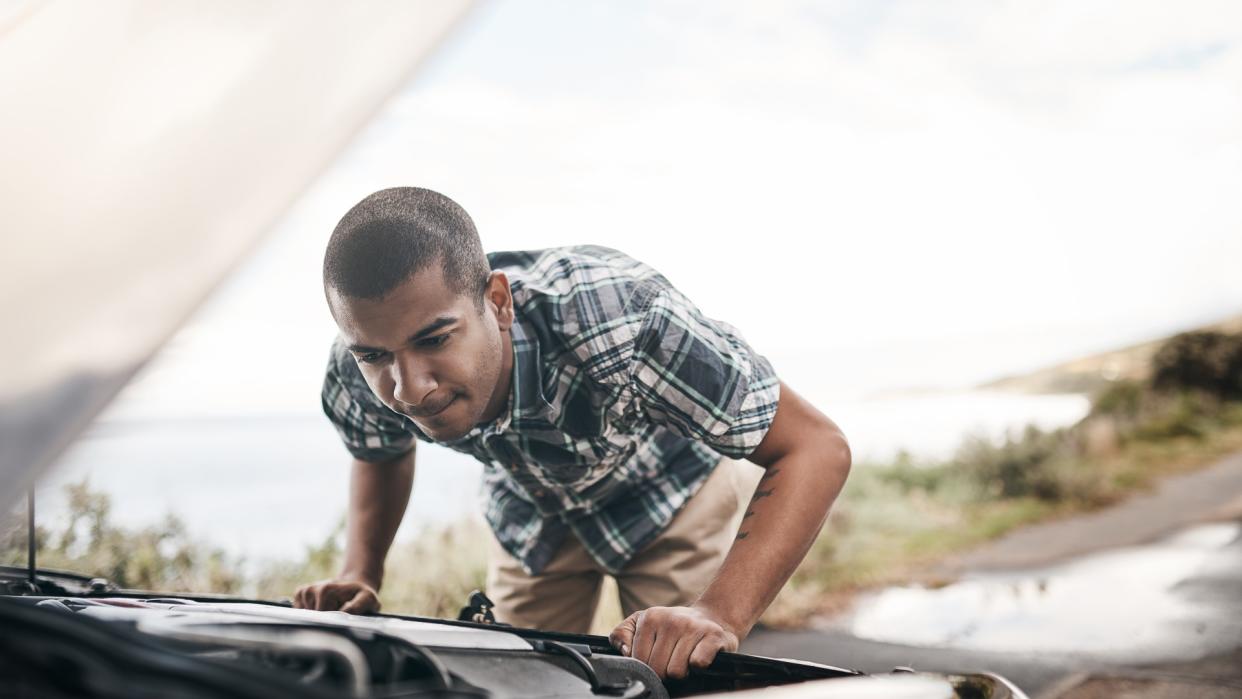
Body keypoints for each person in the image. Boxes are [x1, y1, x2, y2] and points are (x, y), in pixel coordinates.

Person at [293, 187, 851, 680]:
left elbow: (815, 447)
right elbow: (379, 452)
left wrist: (720, 612)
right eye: (374, 355)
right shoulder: (354, 368)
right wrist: (361, 571)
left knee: (681, 673)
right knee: (514, 678)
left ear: (498, 302)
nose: (409, 389)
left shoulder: (623, 320)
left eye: (435, 340)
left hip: (670, 495)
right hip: (534, 512)